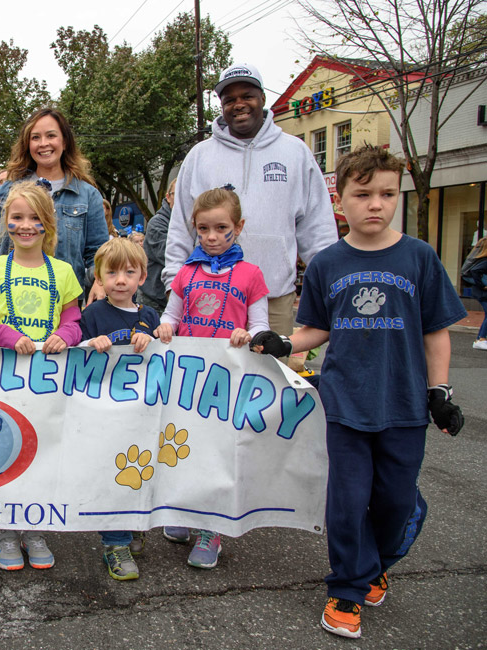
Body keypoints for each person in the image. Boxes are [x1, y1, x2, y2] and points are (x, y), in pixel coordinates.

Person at [250, 145, 466, 639]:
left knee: (393, 503)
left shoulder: (420, 257)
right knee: (346, 505)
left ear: (398, 197)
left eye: (387, 194)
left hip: (405, 406)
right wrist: (283, 343)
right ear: (339, 201)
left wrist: (440, 392)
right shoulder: (327, 262)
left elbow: (436, 331)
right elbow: (315, 328)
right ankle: (347, 590)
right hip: (344, 405)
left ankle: (376, 560)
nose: (376, 204)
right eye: (362, 194)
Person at [0, 180, 83, 571]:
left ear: (47, 223)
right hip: (2, 379)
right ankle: (6, 530)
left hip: (47, 384)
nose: (25, 225)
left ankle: (36, 527)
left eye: (34, 218)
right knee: (7, 450)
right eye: (16, 217)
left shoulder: (62, 272)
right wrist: (9, 337)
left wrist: (63, 336)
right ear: (5, 222)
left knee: (43, 452)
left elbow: (74, 319)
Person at [163, 63, 336, 338]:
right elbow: (181, 228)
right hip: (206, 298)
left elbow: (318, 229)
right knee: (204, 380)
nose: (239, 104)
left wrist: (331, 287)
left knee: (267, 379)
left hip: (274, 299)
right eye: (229, 99)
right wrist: (176, 286)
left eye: (247, 96)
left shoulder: (296, 153)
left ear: (263, 99)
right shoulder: (199, 156)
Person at [155, 186, 270, 569]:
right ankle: (186, 512)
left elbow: (261, 326)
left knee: (219, 452)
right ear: (194, 227)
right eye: (204, 228)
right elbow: (171, 314)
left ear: (238, 226)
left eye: (222, 228)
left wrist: (248, 335)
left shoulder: (251, 275)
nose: (212, 237)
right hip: (188, 379)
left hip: (227, 380)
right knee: (185, 444)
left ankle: (212, 529)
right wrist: (165, 328)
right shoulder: (186, 273)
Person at [79, 237, 161, 580]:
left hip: (143, 414)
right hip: (105, 413)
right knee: (112, 474)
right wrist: (89, 342)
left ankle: (134, 524)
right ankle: (115, 542)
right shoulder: (94, 313)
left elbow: (170, 350)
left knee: (142, 471)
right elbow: (73, 349)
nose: (121, 279)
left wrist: (159, 335)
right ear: (99, 278)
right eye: (111, 273)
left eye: (129, 272)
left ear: (142, 277)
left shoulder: (149, 314)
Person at [0, 108, 109, 290]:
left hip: (64, 306)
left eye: (51, 135)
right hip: (8, 301)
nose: (43, 143)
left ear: (65, 142)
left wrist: (100, 281)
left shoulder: (88, 195)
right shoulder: (8, 190)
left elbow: (99, 255)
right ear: (27, 144)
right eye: (35, 137)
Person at [141, 177, 176, 313]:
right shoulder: (157, 223)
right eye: (176, 194)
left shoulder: (189, 223)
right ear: (168, 197)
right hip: (155, 299)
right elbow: (170, 256)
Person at [460, 236, 487, 349]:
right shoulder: (484, 260)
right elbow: (475, 271)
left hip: (480, 292)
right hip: (482, 293)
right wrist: (483, 285)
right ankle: (481, 339)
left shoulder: (480, 258)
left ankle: (480, 339)